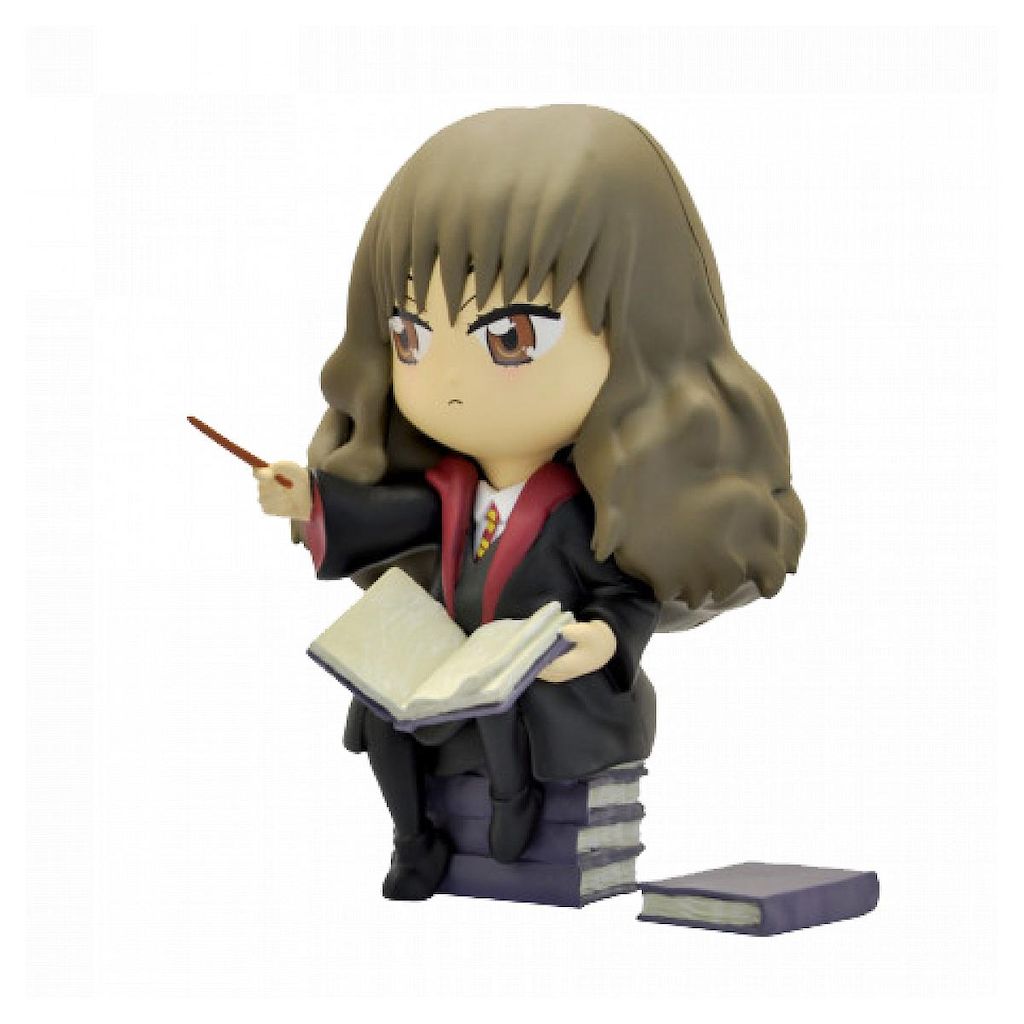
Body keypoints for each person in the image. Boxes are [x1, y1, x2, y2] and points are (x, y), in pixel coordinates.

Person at [256, 105, 806, 901]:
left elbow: (624, 592)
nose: (448, 382)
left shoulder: (584, 512)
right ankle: (415, 838)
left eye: (509, 337)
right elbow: (384, 520)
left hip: (545, 693)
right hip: (452, 678)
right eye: (410, 336)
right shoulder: (450, 494)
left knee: (503, 697)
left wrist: (601, 640)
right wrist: (310, 500)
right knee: (380, 715)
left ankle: (516, 802)